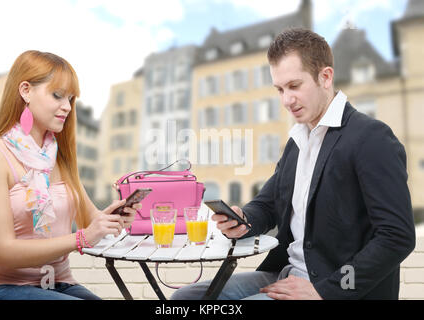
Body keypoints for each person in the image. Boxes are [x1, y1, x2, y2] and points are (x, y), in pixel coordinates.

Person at [171, 28, 416, 300]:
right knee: (185, 298)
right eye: (280, 89)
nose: (286, 100)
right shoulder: (297, 141)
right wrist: (243, 220)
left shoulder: (371, 137)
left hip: (331, 287)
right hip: (286, 274)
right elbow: (267, 205)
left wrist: (326, 291)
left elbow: (397, 237)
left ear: (325, 77)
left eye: (294, 86)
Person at [0, 50, 140, 300]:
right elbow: (2, 251)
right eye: (57, 95)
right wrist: (83, 238)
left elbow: (89, 218)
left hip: (57, 282)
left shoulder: (58, 156)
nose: (67, 107)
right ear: (26, 90)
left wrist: (110, 220)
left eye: (71, 99)